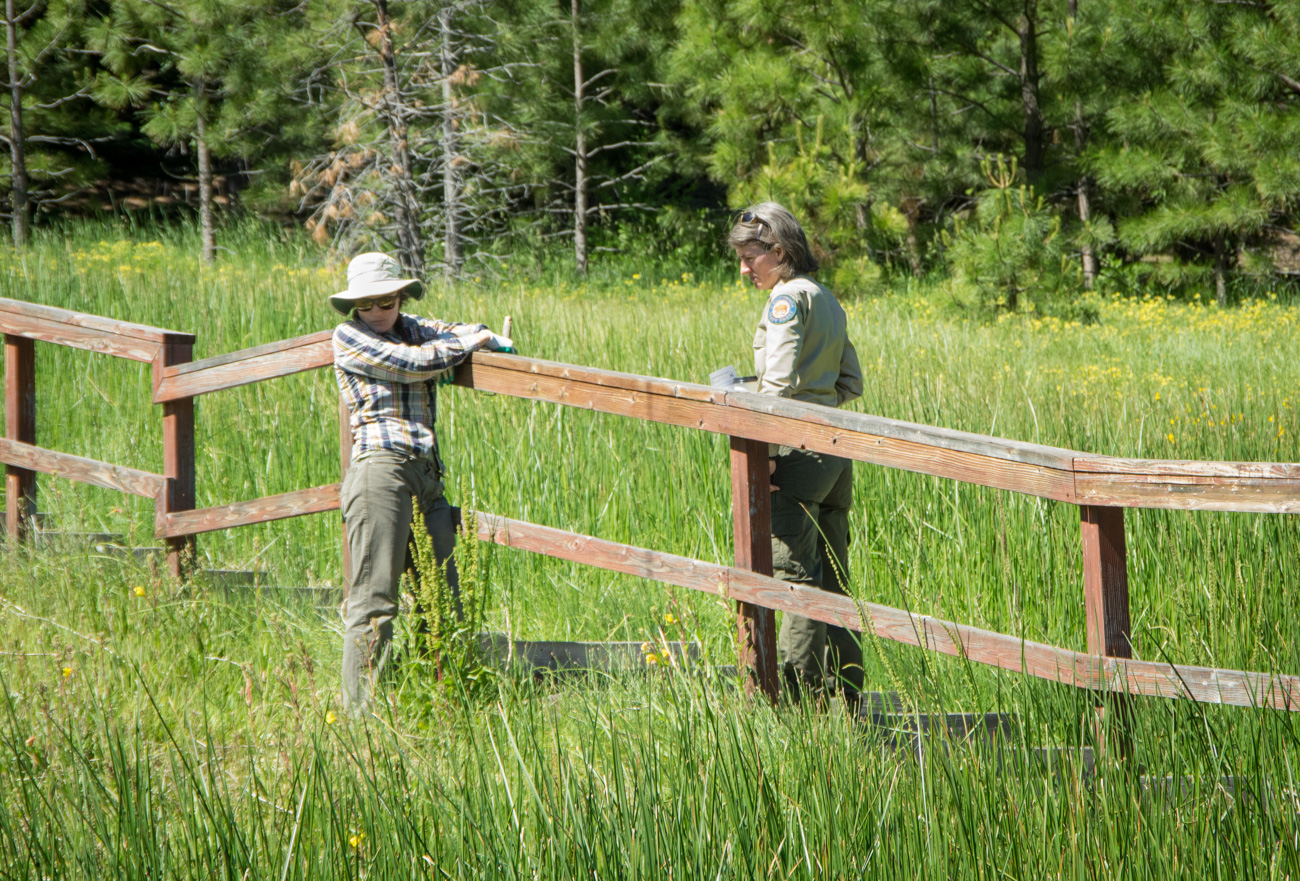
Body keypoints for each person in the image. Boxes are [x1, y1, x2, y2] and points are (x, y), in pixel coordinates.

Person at [331, 251, 512, 715]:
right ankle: (362, 717)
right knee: (375, 598)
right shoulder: (349, 336)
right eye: (367, 304)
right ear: (354, 306)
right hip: (380, 470)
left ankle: (444, 701)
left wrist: (478, 337)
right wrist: (479, 341)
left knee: (442, 595)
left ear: (399, 296)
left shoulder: (412, 325)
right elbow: (413, 363)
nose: (377, 313)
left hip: (427, 472)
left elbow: (459, 332)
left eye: (386, 302)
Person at [726, 202, 865, 706]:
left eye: (749, 258)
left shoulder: (785, 301)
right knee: (834, 574)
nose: (745, 271)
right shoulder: (826, 298)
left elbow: (778, 385)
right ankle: (847, 693)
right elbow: (851, 382)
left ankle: (798, 698)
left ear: (777, 251)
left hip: (795, 453)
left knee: (796, 574)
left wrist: (761, 452)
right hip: (835, 451)